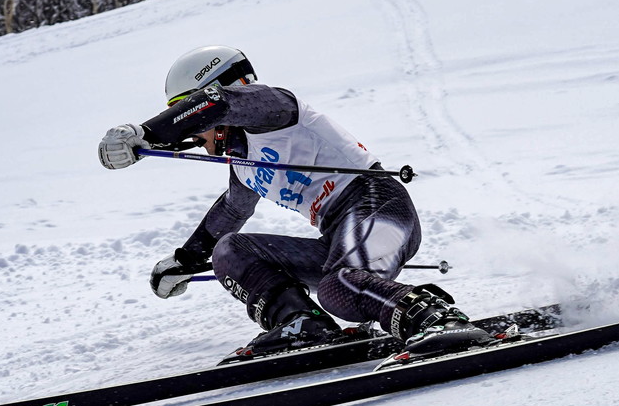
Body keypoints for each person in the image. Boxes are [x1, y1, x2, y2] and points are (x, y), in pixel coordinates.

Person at [97, 45, 494, 362]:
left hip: (377, 207)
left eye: (188, 116)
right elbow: (232, 211)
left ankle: (433, 318)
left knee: (338, 288)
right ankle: (301, 324)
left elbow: (218, 103)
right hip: (338, 231)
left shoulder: (275, 107)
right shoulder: (244, 160)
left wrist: (148, 132)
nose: (194, 136)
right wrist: (185, 260)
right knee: (231, 250)